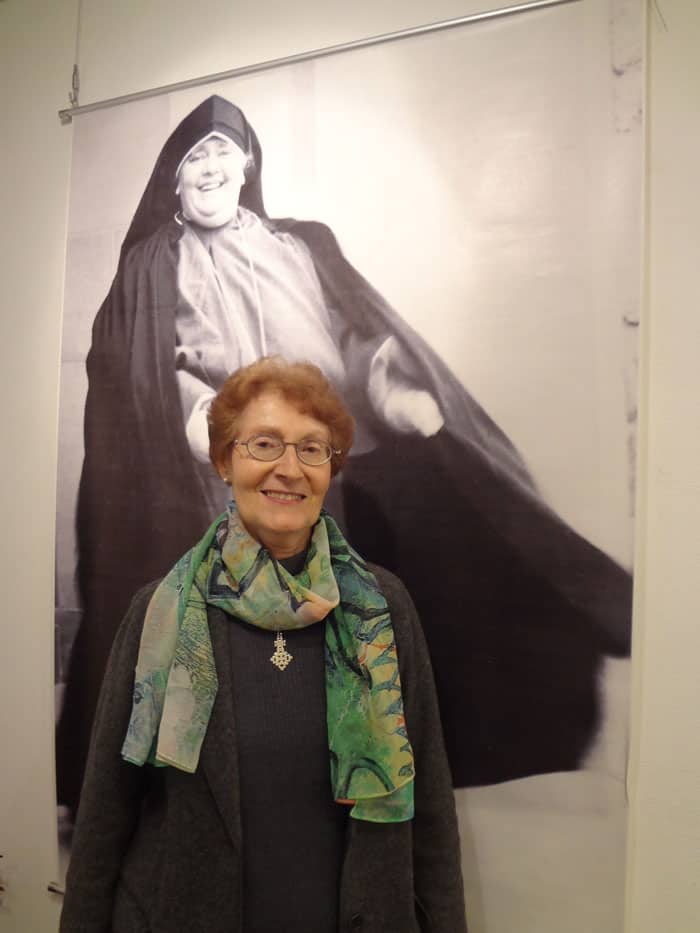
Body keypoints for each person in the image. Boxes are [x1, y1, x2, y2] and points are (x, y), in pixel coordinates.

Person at [57, 94, 633, 817]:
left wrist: (394, 394)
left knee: (338, 623)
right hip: (217, 471)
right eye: (192, 159)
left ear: (248, 166)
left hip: (325, 465)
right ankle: (221, 793)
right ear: (172, 180)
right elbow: (133, 370)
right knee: (230, 634)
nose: (207, 168)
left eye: (220, 154)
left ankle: (339, 771)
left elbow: (355, 333)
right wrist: (197, 416)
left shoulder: (302, 243)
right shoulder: (149, 265)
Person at [59, 358, 467, 933]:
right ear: (225, 460)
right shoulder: (163, 610)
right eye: (265, 444)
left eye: (312, 449)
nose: (289, 469)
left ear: (332, 468)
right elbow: (106, 808)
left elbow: (428, 805)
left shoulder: (382, 608)